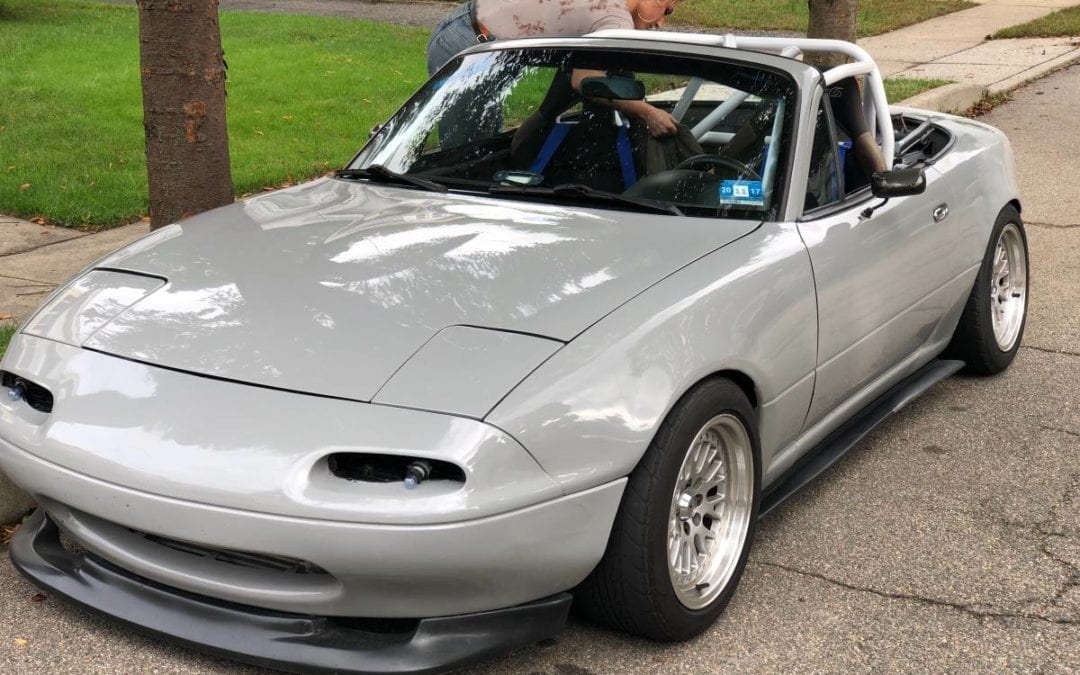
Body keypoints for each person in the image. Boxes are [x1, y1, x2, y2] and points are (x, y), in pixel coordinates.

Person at [427, 0, 682, 138]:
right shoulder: (617, 20)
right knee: (466, 159)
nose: (660, 22)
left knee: (481, 147)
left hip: (475, 32)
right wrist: (649, 113)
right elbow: (585, 80)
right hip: (471, 45)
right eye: (667, 9)